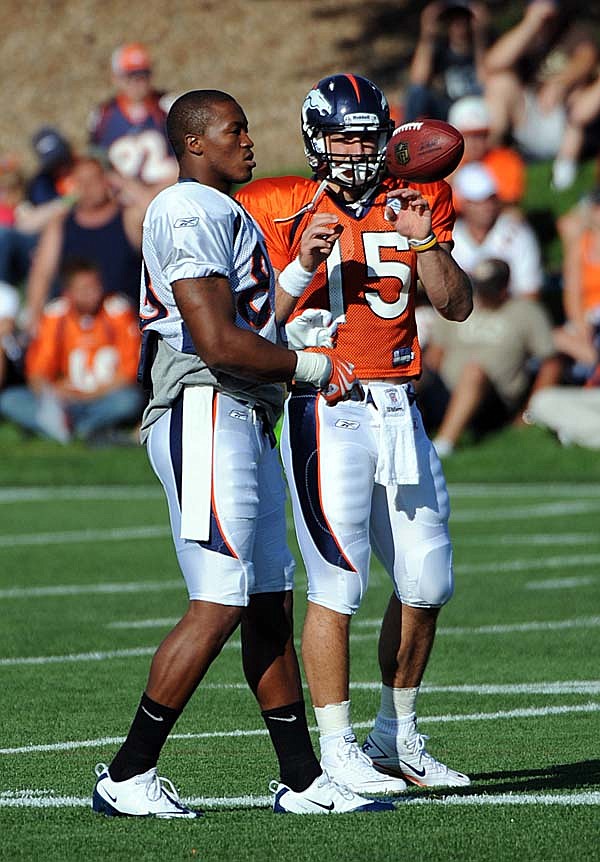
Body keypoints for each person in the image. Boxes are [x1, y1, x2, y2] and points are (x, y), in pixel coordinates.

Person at [91, 88, 394, 818]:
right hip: (206, 406)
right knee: (221, 597)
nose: (250, 141)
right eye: (235, 130)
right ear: (195, 143)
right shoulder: (185, 206)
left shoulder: (227, 214)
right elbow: (217, 341)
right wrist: (312, 367)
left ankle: (301, 778)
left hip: (243, 413)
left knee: (266, 601)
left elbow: (254, 322)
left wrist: (296, 273)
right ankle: (128, 774)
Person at [237, 73, 473, 790]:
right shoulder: (272, 203)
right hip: (323, 407)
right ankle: (335, 747)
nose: (357, 148)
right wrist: (299, 261)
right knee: (337, 584)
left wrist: (424, 239)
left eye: (368, 135)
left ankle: (393, 737)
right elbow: (245, 314)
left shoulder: (420, 194)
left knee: (427, 581)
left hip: (400, 407)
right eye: (343, 135)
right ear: (315, 138)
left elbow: (456, 305)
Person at [419, 258, 562, 457]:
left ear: (504, 287)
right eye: (479, 287)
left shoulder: (526, 312)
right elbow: (435, 354)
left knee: (473, 372)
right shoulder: (460, 304)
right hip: (446, 390)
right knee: (413, 367)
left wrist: (529, 413)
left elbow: (551, 364)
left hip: (494, 399)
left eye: (488, 289)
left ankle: (444, 445)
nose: (482, 294)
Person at [0, 258, 144, 443]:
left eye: (96, 286)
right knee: (10, 400)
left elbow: (129, 371)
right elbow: (38, 371)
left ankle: (72, 428)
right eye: (84, 289)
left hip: (105, 397)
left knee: (129, 401)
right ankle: (80, 428)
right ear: (69, 293)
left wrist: (91, 394)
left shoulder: (117, 311)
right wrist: (54, 392)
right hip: (64, 402)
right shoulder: (55, 315)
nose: (93, 293)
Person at [24, 155, 144, 335]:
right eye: (80, 182)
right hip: (75, 325)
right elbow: (42, 274)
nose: (87, 187)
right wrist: (33, 318)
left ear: (106, 181)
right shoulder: (61, 225)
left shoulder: (128, 217)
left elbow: (155, 209)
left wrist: (122, 182)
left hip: (125, 322)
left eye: (93, 180)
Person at [483, 0, 599, 184]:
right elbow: (493, 65)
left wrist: (560, 83)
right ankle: (490, 159)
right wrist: (532, 23)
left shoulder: (575, 30)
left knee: (579, 93)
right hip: (529, 116)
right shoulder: (522, 32)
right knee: (500, 82)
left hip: (566, 119)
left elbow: (587, 59)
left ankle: (564, 170)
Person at [88, 42, 178, 207]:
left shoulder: (169, 106)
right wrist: (135, 191)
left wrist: (154, 194)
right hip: (125, 198)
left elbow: (189, 159)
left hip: (170, 191)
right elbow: (98, 164)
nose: (138, 82)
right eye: (130, 76)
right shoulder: (103, 115)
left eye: (143, 74)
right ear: (116, 78)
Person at [450, 161, 544, 298]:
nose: (486, 207)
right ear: (463, 202)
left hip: (508, 312)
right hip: (464, 315)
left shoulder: (517, 232)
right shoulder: (451, 236)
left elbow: (530, 292)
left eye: (490, 199)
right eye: (477, 201)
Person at [403, 0, 489, 123]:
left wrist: (480, 38)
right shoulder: (441, 50)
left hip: (478, 107)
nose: (459, 26)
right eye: (454, 21)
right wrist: (427, 36)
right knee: (417, 92)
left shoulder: (484, 47)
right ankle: (406, 138)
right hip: (448, 109)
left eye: (465, 20)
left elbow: (486, 82)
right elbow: (418, 80)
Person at [446, 95, 526, 210]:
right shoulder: (444, 168)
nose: (473, 143)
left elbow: (510, 204)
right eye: (467, 136)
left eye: (479, 135)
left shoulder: (506, 160)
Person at [553, 186, 600, 373]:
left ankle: (592, 362)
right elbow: (572, 294)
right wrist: (582, 328)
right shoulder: (581, 245)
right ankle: (593, 360)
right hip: (587, 319)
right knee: (555, 337)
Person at [525, 361, 600, 448]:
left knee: (542, 403)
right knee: (543, 401)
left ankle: (571, 431)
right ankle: (572, 430)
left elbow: (588, 357)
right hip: (588, 393)